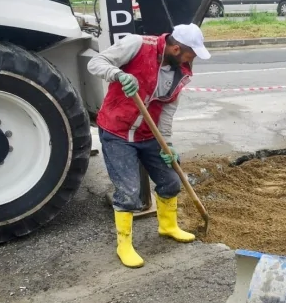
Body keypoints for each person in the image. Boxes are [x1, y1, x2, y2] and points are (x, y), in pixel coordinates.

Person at [87, 24, 211, 268]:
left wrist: (169, 145)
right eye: (190, 54)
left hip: (148, 134)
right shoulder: (138, 44)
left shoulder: (181, 71)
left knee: (171, 181)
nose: (192, 59)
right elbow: (96, 63)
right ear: (176, 48)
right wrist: (118, 75)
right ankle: (124, 245)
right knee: (129, 192)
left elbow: (167, 110)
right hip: (117, 131)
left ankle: (168, 226)